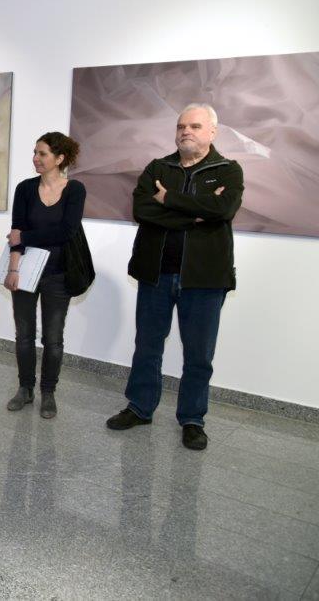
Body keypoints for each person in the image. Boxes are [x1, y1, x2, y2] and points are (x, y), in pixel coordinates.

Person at [106, 103, 243, 450]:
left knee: (199, 354)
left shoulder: (228, 170)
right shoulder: (158, 167)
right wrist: (196, 212)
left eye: (195, 126)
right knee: (147, 346)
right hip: (156, 275)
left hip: (204, 279)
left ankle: (192, 419)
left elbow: (223, 209)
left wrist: (169, 199)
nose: (186, 132)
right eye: (181, 126)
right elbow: (142, 210)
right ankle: (140, 407)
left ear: (212, 132)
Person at [4, 132, 86, 419]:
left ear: (60, 158)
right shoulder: (25, 189)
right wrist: (13, 268)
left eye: (42, 154)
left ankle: (48, 392)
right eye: (35, 153)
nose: (35, 158)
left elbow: (66, 231)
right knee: (24, 335)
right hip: (25, 271)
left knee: (53, 339)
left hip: (58, 275)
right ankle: (25, 388)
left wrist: (25, 237)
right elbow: (16, 230)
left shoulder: (74, 190)